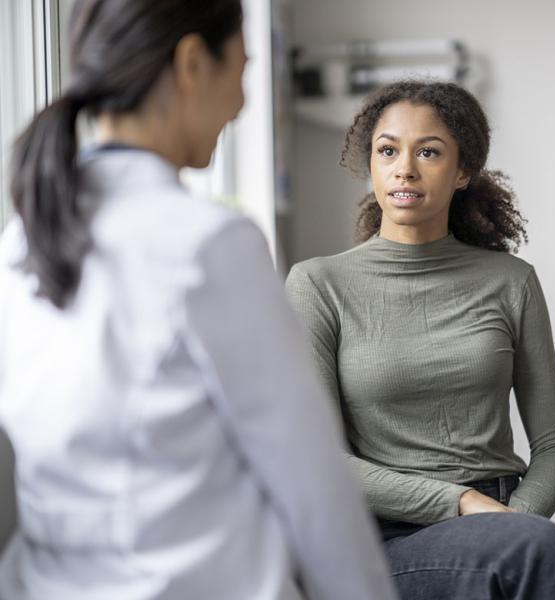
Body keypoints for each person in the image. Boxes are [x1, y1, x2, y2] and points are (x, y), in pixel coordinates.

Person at [0, 1, 398, 599]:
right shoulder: (209, 245)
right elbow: (313, 487)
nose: (240, 102)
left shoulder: (19, 242)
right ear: (191, 63)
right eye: (240, 68)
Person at [285, 80, 555, 599]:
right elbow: (319, 458)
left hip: (503, 516)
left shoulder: (512, 281)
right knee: (538, 553)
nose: (404, 168)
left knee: (533, 550)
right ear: (371, 164)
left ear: (462, 171)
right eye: (387, 150)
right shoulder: (318, 285)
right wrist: (462, 505)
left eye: (428, 152)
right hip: (385, 537)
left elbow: (552, 448)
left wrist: (510, 522)